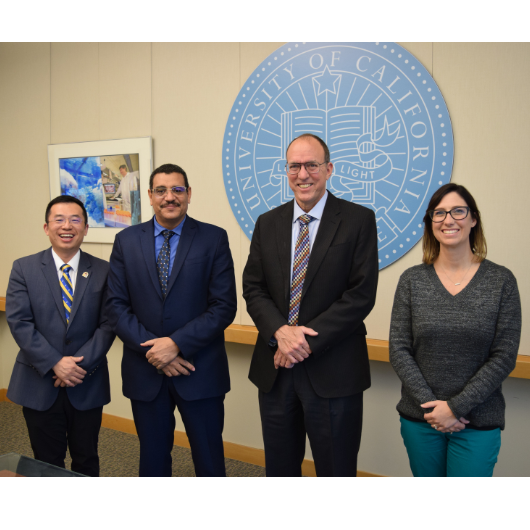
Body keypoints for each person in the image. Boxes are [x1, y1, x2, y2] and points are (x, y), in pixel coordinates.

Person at [242, 134, 379, 477]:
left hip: (333, 371)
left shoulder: (358, 220)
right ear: (286, 170)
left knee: (335, 471)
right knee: (280, 470)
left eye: (312, 165)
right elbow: (253, 287)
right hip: (276, 371)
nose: (303, 174)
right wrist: (279, 332)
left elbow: (360, 294)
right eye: (294, 166)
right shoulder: (267, 222)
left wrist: (300, 342)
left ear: (329, 169)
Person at [107, 163, 237, 477]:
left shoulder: (213, 238)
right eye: (162, 191)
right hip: (145, 371)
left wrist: (176, 345)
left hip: (199, 371)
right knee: (153, 462)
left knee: (209, 461)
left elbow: (224, 306)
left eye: (177, 189)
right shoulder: (126, 241)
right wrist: (156, 352)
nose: (170, 197)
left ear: (189, 194)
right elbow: (116, 306)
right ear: (150, 196)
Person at [389, 183, 521, 477]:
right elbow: (398, 349)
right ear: (430, 223)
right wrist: (434, 410)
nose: (449, 220)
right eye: (439, 213)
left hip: (477, 422)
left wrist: (455, 408)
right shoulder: (411, 280)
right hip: (421, 421)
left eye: (458, 211)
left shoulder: (501, 281)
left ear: (473, 219)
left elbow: (504, 356)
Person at [6, 195, 115, 476]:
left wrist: (76, 366)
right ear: (46, 227)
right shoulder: (24, 268)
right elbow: (20, 322)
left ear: (86, 228)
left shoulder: (104, 270)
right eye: (59, 219)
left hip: (86, 381)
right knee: (46, 462)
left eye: (75, 219)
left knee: (87, 460)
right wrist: (56, 362)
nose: (67, 226)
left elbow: (109, 324)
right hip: (38, 381)